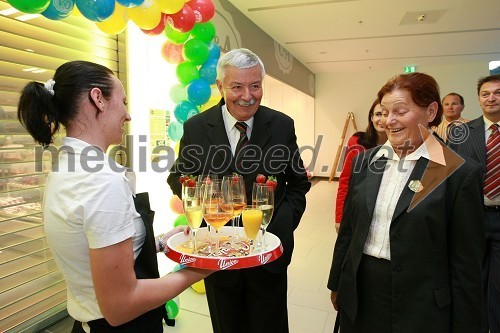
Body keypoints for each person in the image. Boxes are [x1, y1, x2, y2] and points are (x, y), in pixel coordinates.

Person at [17, 60, 211, 333]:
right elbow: (121, 305)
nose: (128, 115)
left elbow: (95, 248)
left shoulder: (66, 168)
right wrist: (201, 268)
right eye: (123, 101)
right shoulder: (100, 182)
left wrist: (159, 242)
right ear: (98, 99)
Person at [167, 48, 311, 333]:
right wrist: (206, 199)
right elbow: (179, 177)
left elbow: (298, 183)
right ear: (220, 86)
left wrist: (281, 224)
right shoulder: (197, 127)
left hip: (267, 252)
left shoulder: (281, 125)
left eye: (255, 85)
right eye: (237, 86)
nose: (248, 95)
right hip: (218, 253)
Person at [327, 72, 484, 332]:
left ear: (431, 111)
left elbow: (466, 264)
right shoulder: (364, 162)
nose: (389, 121)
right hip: (361, 294)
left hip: (422, 306)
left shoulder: (458, 172)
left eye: (400, 111)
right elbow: (349, 231)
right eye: (384, 112)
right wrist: (337, 284)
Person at [449, 74, 500, 333]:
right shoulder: (461, 132)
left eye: (497, 93)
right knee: (472, 279)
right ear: (479, 100)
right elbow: (450, 174)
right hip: (472, 216)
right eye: (485, 94)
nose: (491, 98)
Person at [335, 99, 387, 233]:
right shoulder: (357, 141)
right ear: (371, 117)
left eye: (386, 114)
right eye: (378, 114)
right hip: (358, 210)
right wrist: (339, 218)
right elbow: (345, 181)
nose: (381, 119)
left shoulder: (400, 146)